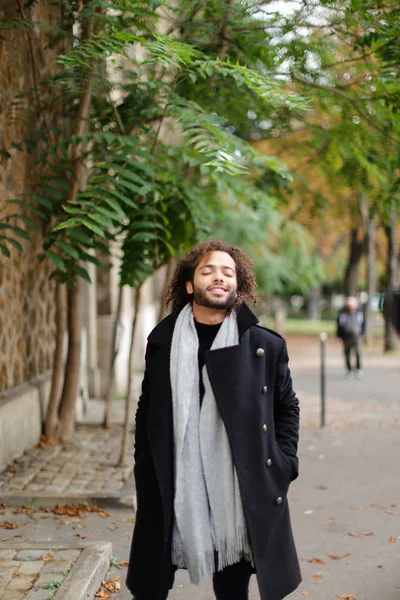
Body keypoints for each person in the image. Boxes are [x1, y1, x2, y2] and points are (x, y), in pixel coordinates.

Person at [126, 240, 301, 600]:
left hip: (237, 484)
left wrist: (284, 463)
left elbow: (287, 407)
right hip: (173, 479)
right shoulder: (163, 342)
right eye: (208, 271)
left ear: (238, 285)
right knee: (152, 585)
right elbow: (147, 407)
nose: (219, 277)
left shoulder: (263, 346)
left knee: (233, 584)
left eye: (228, 272)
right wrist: (144, 463)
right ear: (189, 284)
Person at [336, 296, 365, 378]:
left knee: (358, 352)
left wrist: (362, 333)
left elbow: (363, 324)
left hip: (357, 335)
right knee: (347, 353)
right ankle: (349, 369)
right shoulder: (343, 314)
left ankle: (358, 368)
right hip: (346, 336)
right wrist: (339, 336)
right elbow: (339, 325)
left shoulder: (359, 313)